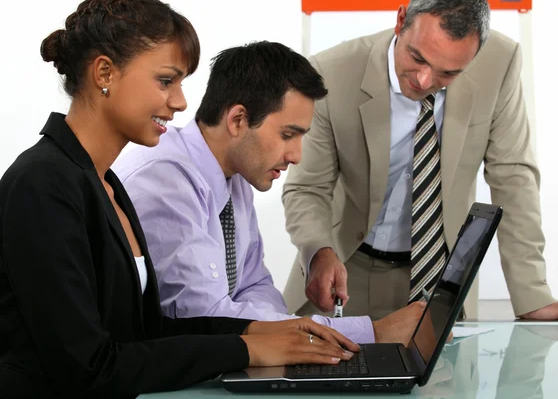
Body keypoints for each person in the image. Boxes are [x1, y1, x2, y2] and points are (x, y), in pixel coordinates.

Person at [0, 1, 358, 398]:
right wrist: (246, 347)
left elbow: (146, 334)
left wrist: (262, 332)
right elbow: (87, 367)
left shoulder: (106, 184)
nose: (181, 102)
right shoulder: (43, 184)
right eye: (166, 81)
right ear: (105, 73)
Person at [281, 0, 558, 321]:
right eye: (417, 58)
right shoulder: (331, 71)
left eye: (448, 72)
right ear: (401, 20)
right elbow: (307, 188)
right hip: (347, 269)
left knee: (448, 372)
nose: (425, 81)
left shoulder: (500, 62)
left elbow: (513, 179)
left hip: (440, 277)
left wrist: (532, 296)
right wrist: (319, 252)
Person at [113, 41, 426, 348]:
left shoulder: (233, 177)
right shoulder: (165, 181)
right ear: (237, 120)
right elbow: (207, 318)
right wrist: (371, 333)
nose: (296, 155)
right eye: (287, 135)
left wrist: (291, 337)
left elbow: (254, 285)